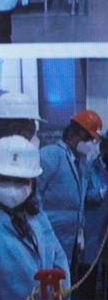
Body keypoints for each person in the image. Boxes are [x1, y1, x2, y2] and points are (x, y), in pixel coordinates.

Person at [0, 136, 69, 300]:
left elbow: (59, 260)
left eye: (20, 181)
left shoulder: (38, 217)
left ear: (33, 183)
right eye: (3, 179)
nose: (11, 188)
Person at [38, 110, 105, 271]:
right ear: (74, 134)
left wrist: (80, 230)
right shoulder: (52, 155)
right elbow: (35, 195)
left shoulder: (81, 164)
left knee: (67, 286)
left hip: (71, 241)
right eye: (88, 139)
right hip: (50, 236)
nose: (90, 144)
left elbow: (81, 201)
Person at [76, 133, 108, 300]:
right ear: (104, 149)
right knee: (88, 273)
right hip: (93, 230)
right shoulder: (89, 167)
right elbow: (85, 195)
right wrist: (104, 191)